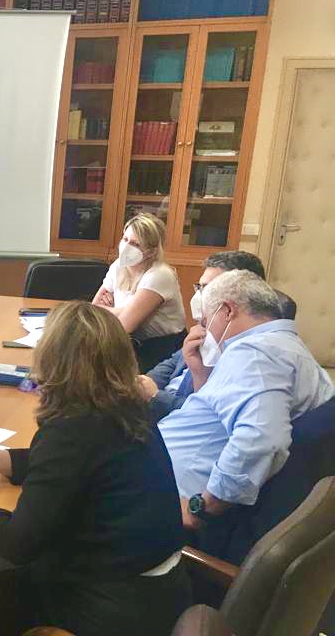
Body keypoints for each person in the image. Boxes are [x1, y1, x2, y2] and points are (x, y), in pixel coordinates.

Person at [0, 301, 189, 636]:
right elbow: (68, 470)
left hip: (106, 624)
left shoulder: (72, 431)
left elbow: (18, 543)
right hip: (156, 596)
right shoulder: (125, 406)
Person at [159, 270, 333, 530]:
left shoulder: (254, 352)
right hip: (162, 480)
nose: (203, 332)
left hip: (171, 497)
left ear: (227, 311)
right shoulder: (282, 347)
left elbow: (261, 440)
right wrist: (202, 374)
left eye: (205, 322)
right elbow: (219, 417)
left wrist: (202, 509)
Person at [137, 250, 267, 420]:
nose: (199, 296)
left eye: (208, 289)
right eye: (199, 287)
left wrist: (156, 396)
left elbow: (206, 415)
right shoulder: (205, 328)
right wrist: (140, 385)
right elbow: (173, 363)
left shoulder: (245, 355)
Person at [92, 212, 187, 371]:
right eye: (125, 239)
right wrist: (125, 310)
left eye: (135, 244)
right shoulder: (119, 265)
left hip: (161, 350)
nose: (126, 247)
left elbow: (124, 326)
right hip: (129, 344)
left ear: (151, 251)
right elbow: (94, 308)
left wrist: (114, 311)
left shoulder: (160, 275)